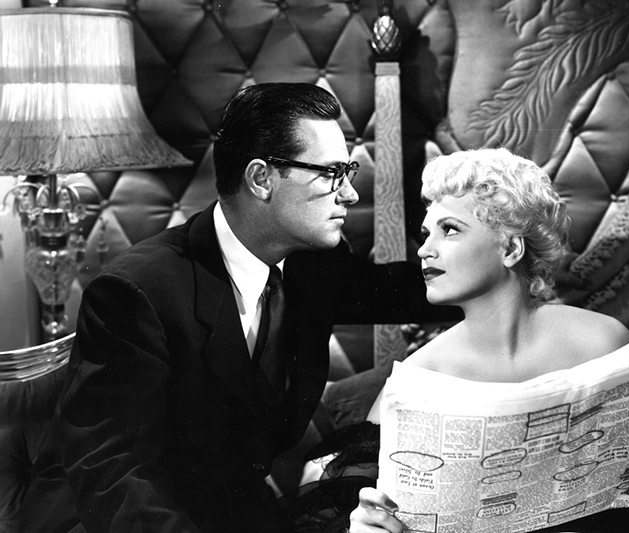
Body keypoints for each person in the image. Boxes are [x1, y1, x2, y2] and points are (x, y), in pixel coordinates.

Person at [54, 83, 456, 533]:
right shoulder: (135, 293)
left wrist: (493, 265)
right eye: (331, 174)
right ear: (261, 179)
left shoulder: (312, 262)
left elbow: (393, 291)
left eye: (348, 172)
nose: (349, 195)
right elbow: (111, 475)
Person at [343, 148, 629, 533]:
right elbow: (348, 497)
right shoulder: (417, 378)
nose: (424, 250)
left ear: (511, 248)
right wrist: (361, 524)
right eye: (425, 234)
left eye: (449, 230)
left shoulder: (602, 342)